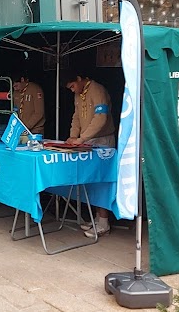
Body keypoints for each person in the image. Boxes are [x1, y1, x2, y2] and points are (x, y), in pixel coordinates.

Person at [63, 71, 117, 238]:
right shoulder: (79, 94)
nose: (72, 90)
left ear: (79, 78)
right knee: (92, 181)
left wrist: (82, 138)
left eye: (72, 86)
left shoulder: (97, 90)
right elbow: (77, 116)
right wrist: (73, 135)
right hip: (87, 141)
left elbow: (101, 118)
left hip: (102, 141)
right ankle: (98, 218)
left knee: (102, 181)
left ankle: (104, 223)